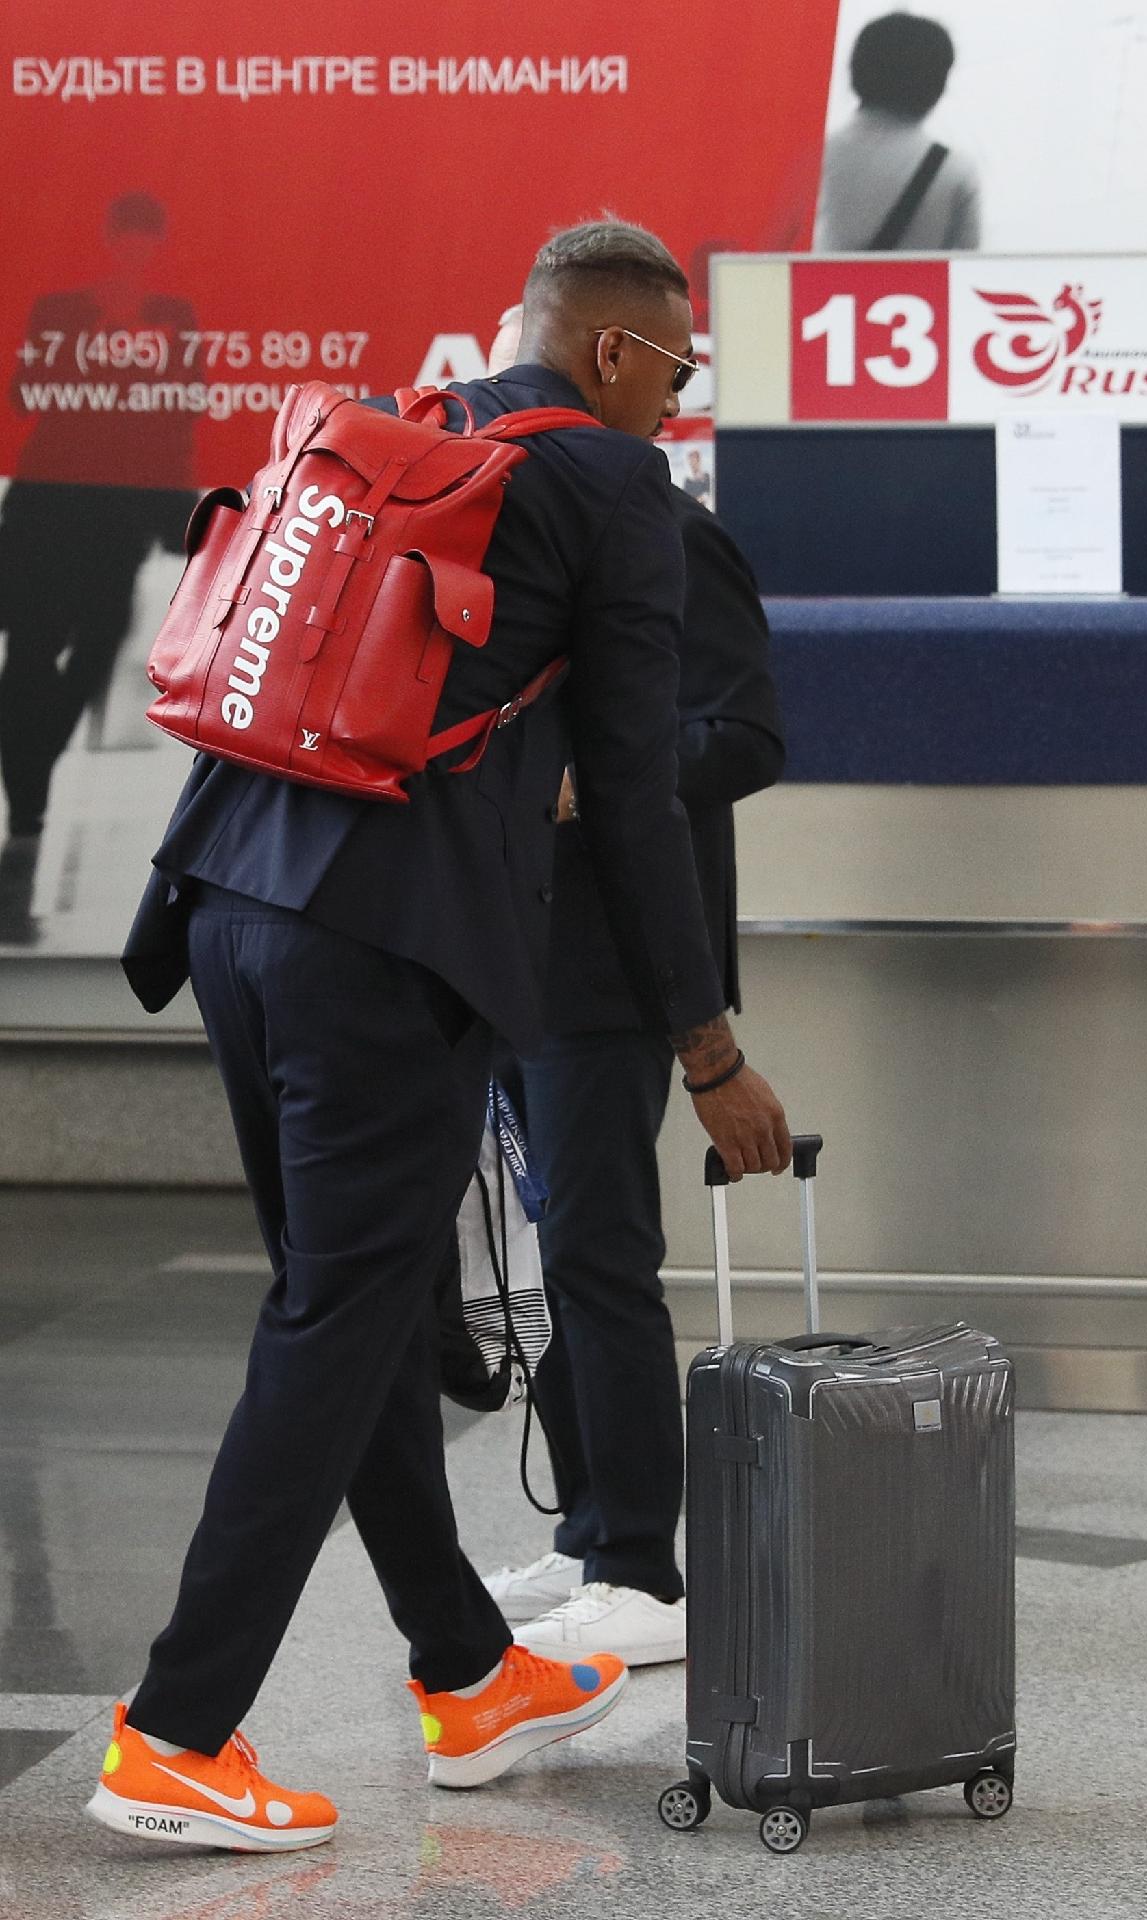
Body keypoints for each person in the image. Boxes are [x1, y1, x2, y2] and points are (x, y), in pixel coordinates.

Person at [91, 218, 793, 1854]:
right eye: (674, 370)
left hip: (226, 905)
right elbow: (629, 795)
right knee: (341, 1321)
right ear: (615, 349)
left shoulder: (418, 429)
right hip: (379, 957)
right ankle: (177, 1732)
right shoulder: (618, 493)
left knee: (365, 1307)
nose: (674, 404)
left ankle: (467, 1673)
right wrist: (705, 1043)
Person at [480, 313, 783, 1666]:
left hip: (612, 962)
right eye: (674, 366)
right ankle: (585, 1522)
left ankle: (637, 1565)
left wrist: (600, 770)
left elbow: (744, 734)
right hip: (503, 946)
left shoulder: (672, 529)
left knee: (602, 1256)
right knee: (544, 1263)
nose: (680, 395)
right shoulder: (519, 523)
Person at [0, 193, 196, 944]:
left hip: (121, 513)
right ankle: (27, 818)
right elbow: (26, 391)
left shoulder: (175, 315)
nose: (135, 252)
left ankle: (35, 748)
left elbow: (188, 407)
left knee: (98, 643)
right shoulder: (60, 310)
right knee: (27, 654)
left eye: (148, 240)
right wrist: (96, 348)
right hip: (48, 506)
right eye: (127, 238)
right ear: (111, 240)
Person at [814, 11, 980, 252]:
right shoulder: (955, 170)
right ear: (937, 86)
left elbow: (770, 256)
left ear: (855, 72)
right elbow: (970, 267)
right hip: (918, 290)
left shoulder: (812, 159)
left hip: (823, 289)